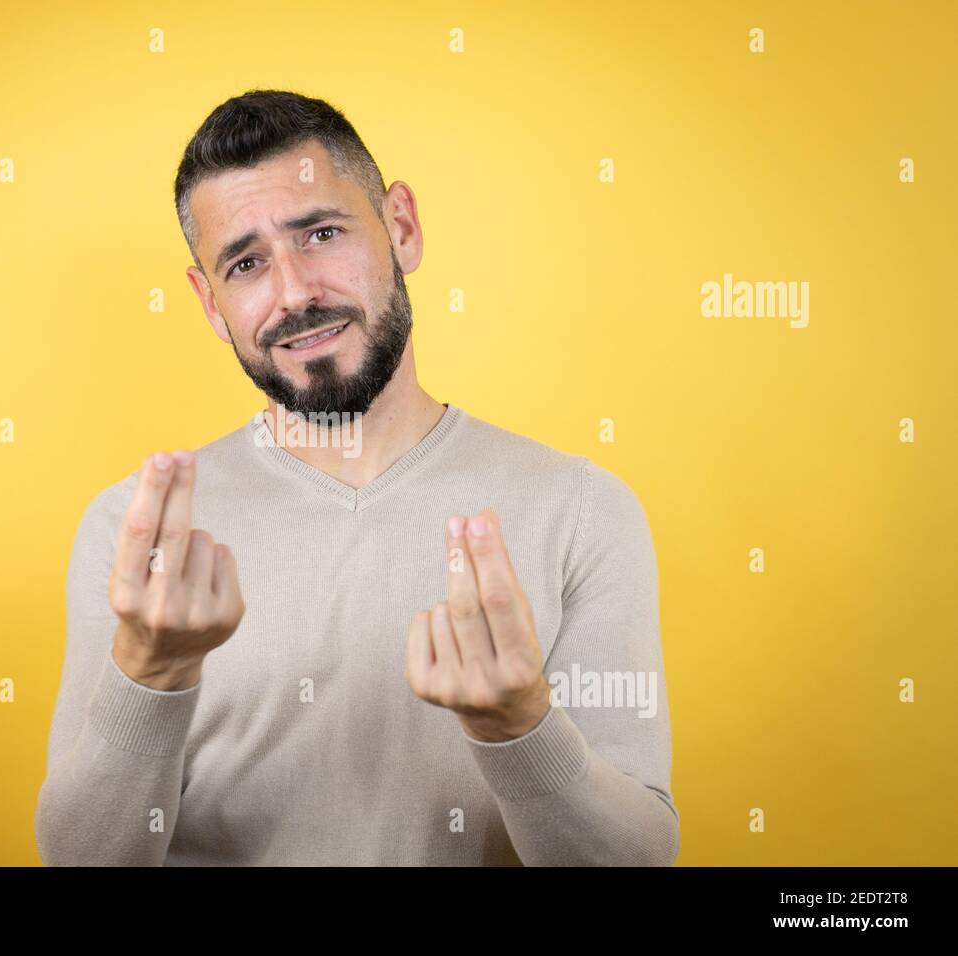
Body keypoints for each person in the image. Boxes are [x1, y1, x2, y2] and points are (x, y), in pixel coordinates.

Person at [35, 89, 678, 865]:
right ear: (210, 303)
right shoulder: (133, 535)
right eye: (246, 263)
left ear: (401, 226)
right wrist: (152, 668)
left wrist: (519, 728)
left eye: (322, 233)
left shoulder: (581, 510)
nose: (295, 292)